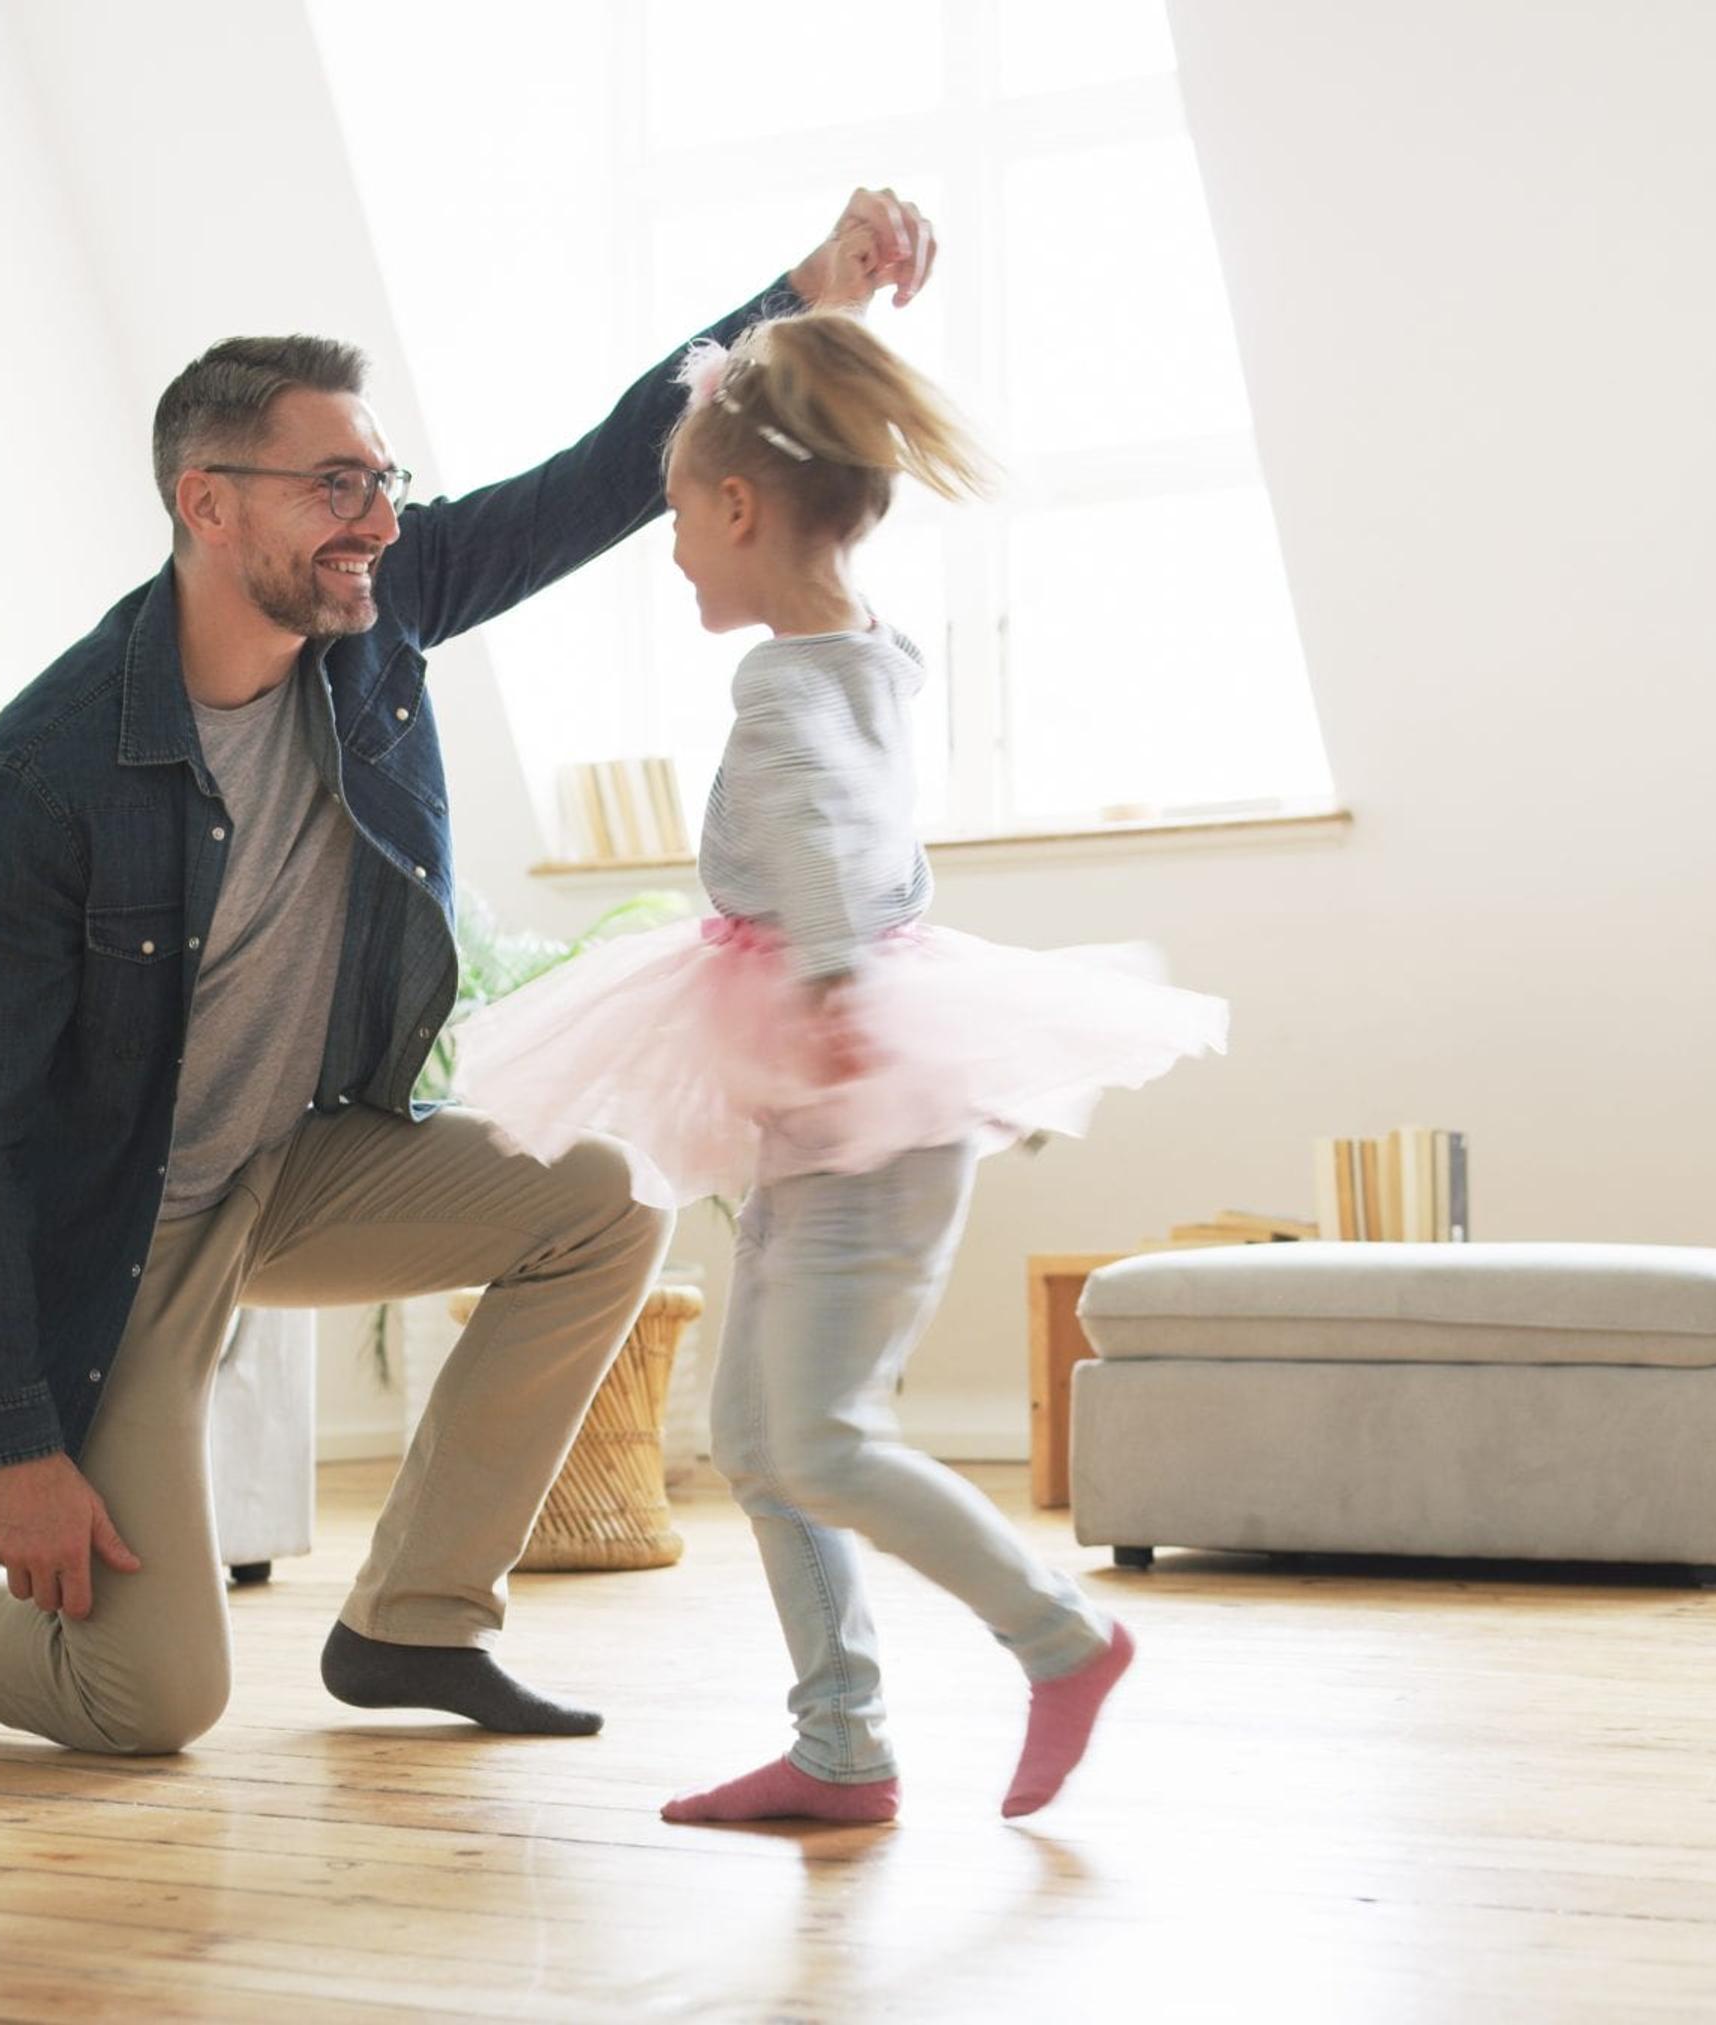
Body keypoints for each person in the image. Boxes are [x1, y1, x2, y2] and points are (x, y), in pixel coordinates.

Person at [0, 194, 945, 1758]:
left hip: (293, 1161)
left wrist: (803, 295)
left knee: (606, 1198)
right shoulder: (41, 786)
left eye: (383, 480)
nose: (376, 517)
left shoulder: (373, 621)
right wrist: (10, 1443)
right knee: (149, 1698)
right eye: (336, 484)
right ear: (208, 505)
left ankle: (414, 1621)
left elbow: (594, 480)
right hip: (121, 1235)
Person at [450, 314, 1228, 1822]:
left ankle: (1061, 1638)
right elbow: (843, 820)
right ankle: (840, 1742)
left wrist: (829, 985)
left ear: (738, 508)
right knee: (759, 1434)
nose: (671, 548)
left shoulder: (785, 692)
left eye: (678, 514)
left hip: (863, 1080)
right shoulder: (868, 652)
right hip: (831, 1081)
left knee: (819, 1432)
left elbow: (822, 830)